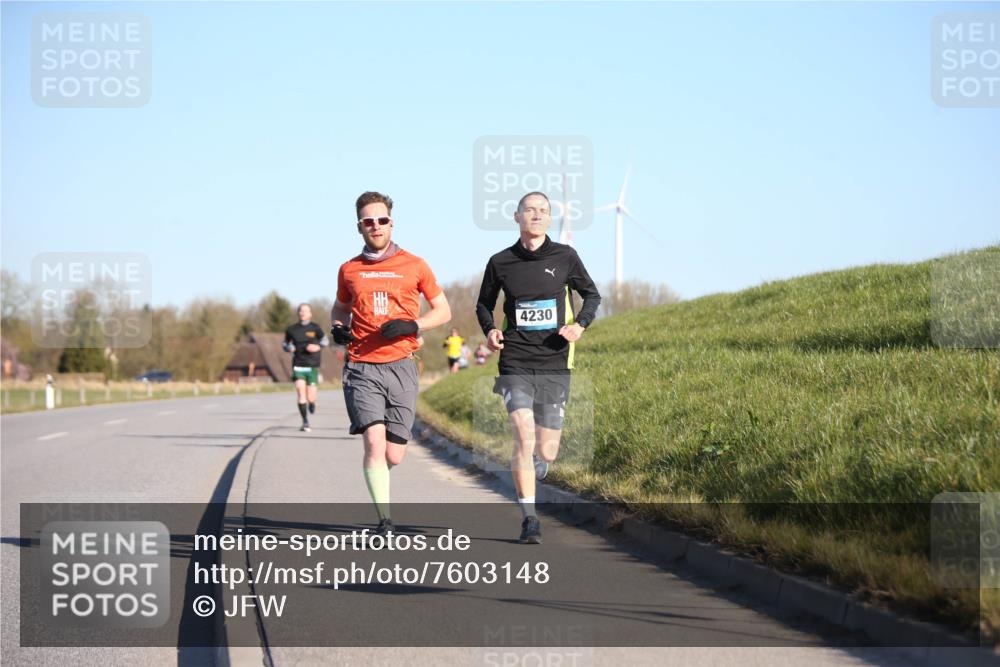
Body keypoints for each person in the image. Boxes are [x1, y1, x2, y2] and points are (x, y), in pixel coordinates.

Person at [475, 191, 601, 544]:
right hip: (515, 359)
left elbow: (592, 295)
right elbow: (483, 305)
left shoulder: (566, 256)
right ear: (517, 217)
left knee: (547, 450)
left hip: (554, 360)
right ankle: (530, 518)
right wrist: (490, 331)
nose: (536, 215)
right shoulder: (500, 261)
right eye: (529, 210)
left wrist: (581, 325)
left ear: (549, 219)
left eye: (543, 211)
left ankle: (537, 463)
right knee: (522, 434)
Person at [330, 191, 451, 536]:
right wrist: (338, 328)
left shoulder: (415, 265)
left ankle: (379, 476)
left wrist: (415, 325)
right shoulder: (349, 269)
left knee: (393, 455)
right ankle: (384, 521)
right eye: (369, 221)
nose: (376, 226)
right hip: (361, 366)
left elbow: (444, 310)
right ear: (359, 227)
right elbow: (339, 309)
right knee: (373, 441)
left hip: (402, 365)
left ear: (391, 223)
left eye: (382, 220)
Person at [283, 303, 328, 432]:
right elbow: (285, 343)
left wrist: (317, 347)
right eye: (301, 311)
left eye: (305, 311)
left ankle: (312, 403)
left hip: (312, 365)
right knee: (300, 392)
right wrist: (288, 347)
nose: (303, 313)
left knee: (310, 397)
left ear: (310, 314)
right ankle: (305, 422)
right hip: (298, 364)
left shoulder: (315, 328)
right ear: (298, 313)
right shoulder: (291, 329)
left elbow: (325, 341)